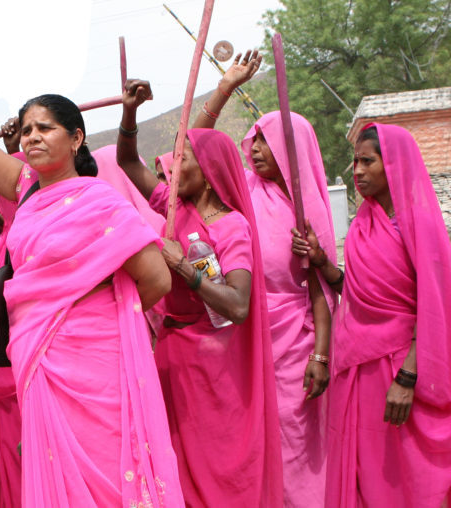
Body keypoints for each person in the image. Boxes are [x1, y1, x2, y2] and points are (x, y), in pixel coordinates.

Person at [0, 27, 182, 507]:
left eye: (45, 127)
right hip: (40, 355)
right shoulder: (24, 188)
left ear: (76, 137)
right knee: (56, 466)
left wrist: (95, 312)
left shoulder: (101, 201)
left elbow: (156, 278)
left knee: (109, 467)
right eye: (26, 129)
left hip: (98, 358)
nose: (32, 136)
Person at [117, 79, 283, 507]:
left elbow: (238, 305)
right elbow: (127, 162)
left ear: (207, 171)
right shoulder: (173, 207)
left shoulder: (232, 227)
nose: (172, 168)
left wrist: (185, 271)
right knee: (176, 469)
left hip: (216, 371)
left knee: (217, 469)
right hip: (173, 362)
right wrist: (130, 112)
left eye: (183, 158)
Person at [192, 52, 336, 506]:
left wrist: (321, 354)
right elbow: (194, 145)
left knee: (295, 443)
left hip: (295, 346)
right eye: (252, 139)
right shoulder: (240, 193)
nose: (253, 148)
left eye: (265, 141)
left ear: (293, 150)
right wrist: (224, 89)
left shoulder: (305, 207)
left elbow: (320, 292)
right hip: (242, 335)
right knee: (249, 439)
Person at [294, 124, 451, 506]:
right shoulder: (364, 221)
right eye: (355, 161)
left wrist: (408, 377)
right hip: (360, 374)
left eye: (368, 161)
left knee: (407, 480)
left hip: (401, 371)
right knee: (368, 477)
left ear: (393, 164)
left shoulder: (420, 224)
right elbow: (363, 294)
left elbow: (436, 305)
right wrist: (321, 263)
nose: (358, 170)